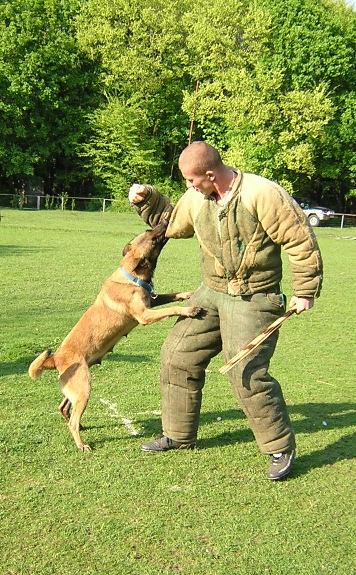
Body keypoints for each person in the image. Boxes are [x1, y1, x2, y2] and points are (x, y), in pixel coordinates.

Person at [128, 141, 323, 480]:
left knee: (245, 371)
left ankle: (280, 447)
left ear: (210, 174)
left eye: (191, 180)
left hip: (256, 297)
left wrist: (305, 291)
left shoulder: (262, 194)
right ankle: (178, 435)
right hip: (211, 292)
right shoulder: (196, 200)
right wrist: (147, 199)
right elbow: (171, 222)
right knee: (178, 355)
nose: (188, 187)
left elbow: (299, 239)